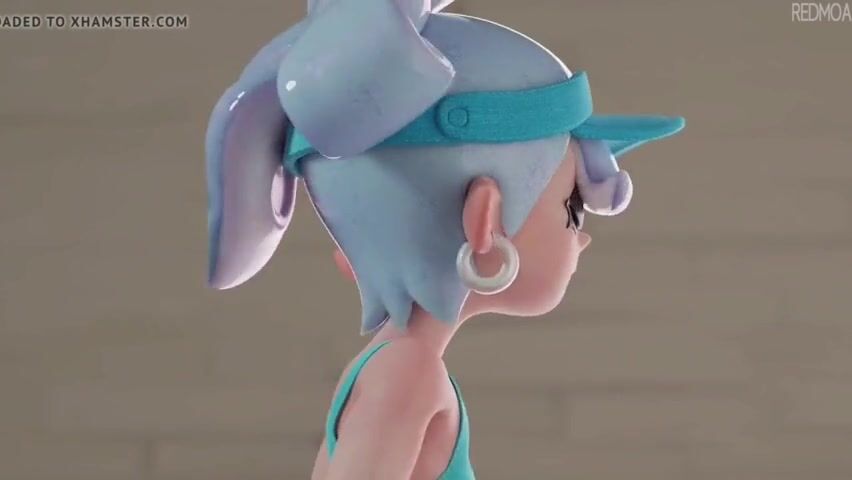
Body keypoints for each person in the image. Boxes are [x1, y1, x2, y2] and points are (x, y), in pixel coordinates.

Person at [205, 1, 685, 478]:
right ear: (485, 225)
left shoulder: (392, 367)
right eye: (571, 209)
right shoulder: (408, 374)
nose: (582, 241)